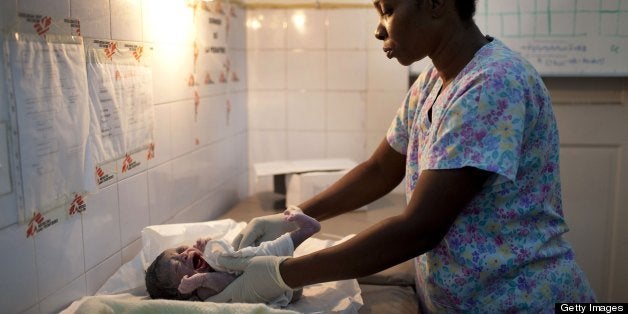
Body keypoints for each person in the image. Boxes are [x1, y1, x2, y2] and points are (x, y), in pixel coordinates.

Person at [204, 0, 597, 312]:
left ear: (437, 4)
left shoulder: (491, 84)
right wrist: (292, 218)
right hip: (462, 299)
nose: (379, 28)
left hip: (519, 298)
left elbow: (419, 228)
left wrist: (280, 273)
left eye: (388, 9)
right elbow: (379, 168)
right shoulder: (433, 81)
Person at [144, 208, 320, 305]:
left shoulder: (208, 260)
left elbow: (228, 253)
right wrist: (202, 279)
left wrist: (211, 247)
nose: (183, 255)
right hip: (284, 288)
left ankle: (302, 228)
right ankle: (306, 239)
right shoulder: (203, 292)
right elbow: (228, 282)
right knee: (266, 258)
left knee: (267, 244)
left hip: (263, 262)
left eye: (180, 249)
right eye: (176, 266)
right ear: (183, 292)